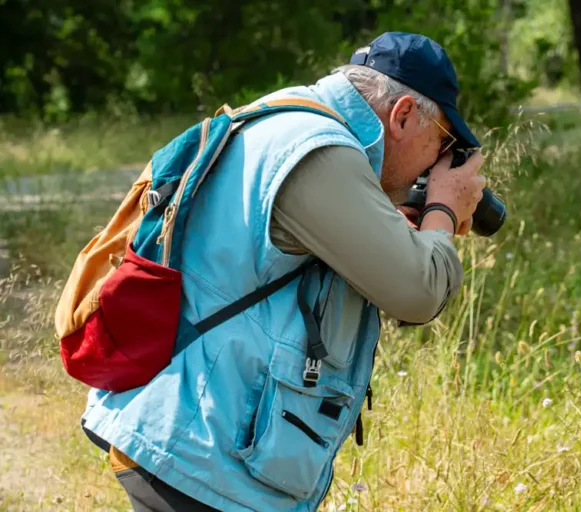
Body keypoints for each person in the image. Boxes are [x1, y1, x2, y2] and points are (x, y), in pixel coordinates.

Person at [80, 31, 486, 511]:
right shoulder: (322, 153)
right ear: (401, 115)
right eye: (442, 141)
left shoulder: (287, 118)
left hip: (183, 430)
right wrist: (444, 207)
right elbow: (419, 293)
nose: (438, 161)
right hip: (203, 453)